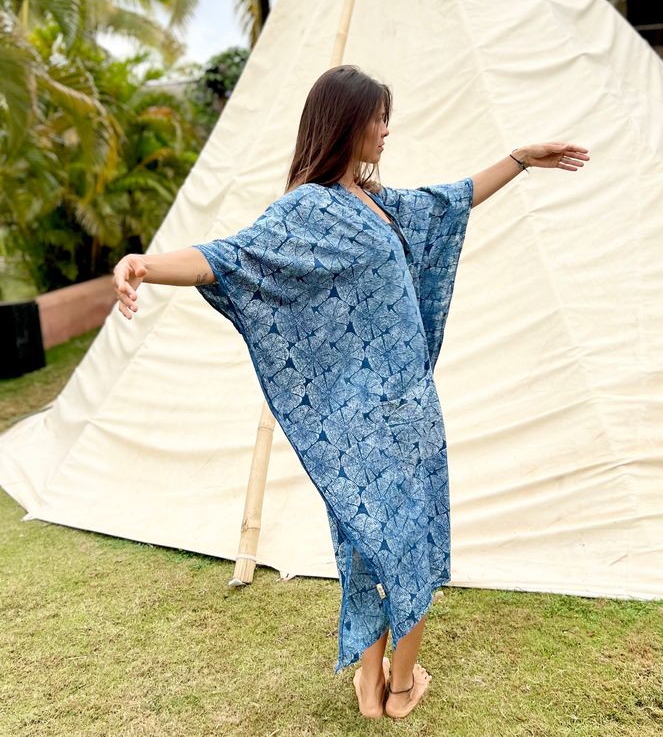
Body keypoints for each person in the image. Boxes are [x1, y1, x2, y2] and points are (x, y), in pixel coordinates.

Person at [113, 64, 589, 720]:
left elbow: (449, 201)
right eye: (376, 118)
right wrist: (144, 263)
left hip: (402, 409)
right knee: (407, 541)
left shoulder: (374, 198)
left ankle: (372, 684)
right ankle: (397, 687)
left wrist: (519, 160)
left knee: (373, 542)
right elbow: (227, 256)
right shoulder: (308, 209)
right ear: (344, 123)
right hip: (378, 419)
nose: (386, 130)